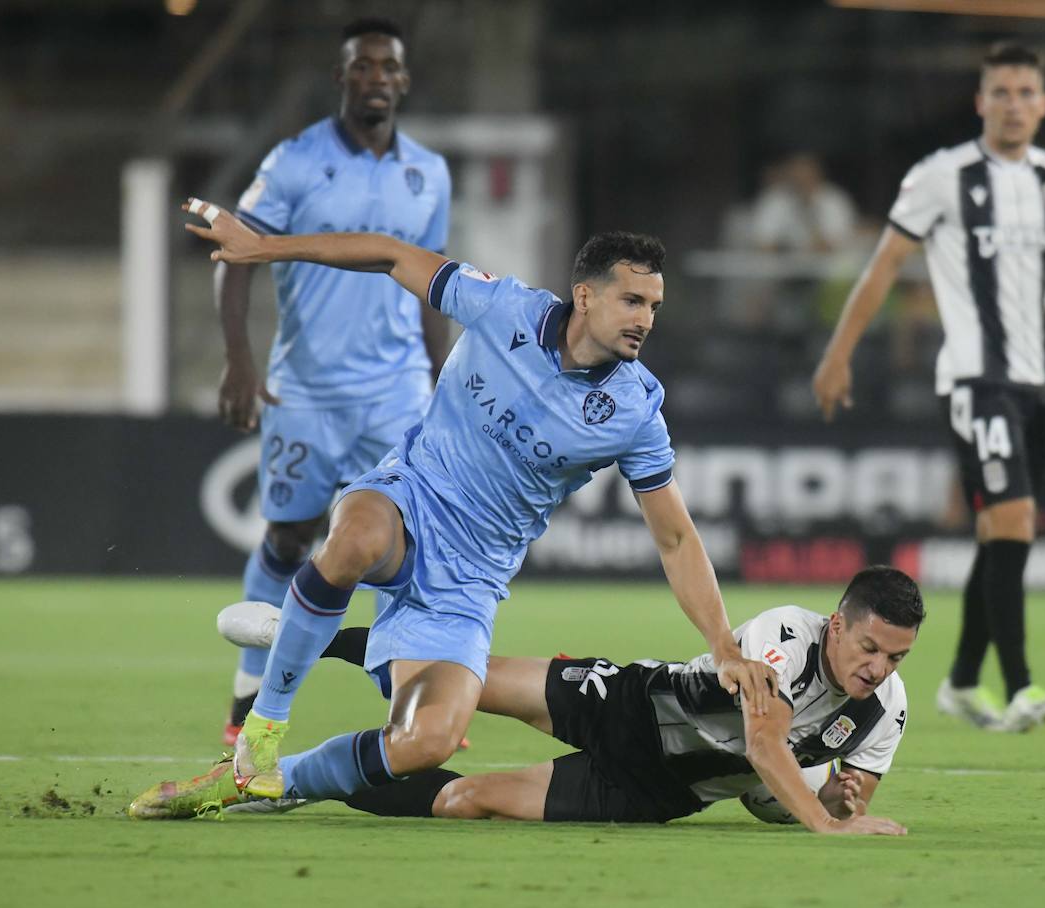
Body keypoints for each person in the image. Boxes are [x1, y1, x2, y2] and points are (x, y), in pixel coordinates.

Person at [180, 197, 780, 804]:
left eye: (653, 306)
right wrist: (264, 248)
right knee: (356, 538)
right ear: (585, 295)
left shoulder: (634, 412)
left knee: (426, 743)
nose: (645, 319)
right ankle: (260, 732)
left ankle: (254, 787)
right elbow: (391, 255)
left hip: (469, 578)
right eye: (632, 300)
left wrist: (723, 647)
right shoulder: (501, 306)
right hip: (411, 497)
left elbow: (675, 539)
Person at [811, 42, 1045, 733]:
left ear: (1043, 104)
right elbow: (883, 266)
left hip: (1032, 384)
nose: (1014, 104)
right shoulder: (941, 176)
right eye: (1002, 92)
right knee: (1015, 522)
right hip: (973, 379)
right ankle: (1018, 684)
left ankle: (961, 680)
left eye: (1026, 92)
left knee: (1001, 534)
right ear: (980, 102)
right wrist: (837, 354)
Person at [130, 566, 919, 836]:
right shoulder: (785, 631)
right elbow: (765, 748)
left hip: (656, 791)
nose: (879, 669)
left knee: (461, 801)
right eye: (870, 648)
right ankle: (302, 636)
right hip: (632, 703)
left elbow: (800, 796)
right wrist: (824, 821)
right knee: (462, 679)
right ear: (838, 624)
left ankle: (285, 784)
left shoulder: (887, 713)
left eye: (895, 658)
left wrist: (840, 804)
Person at [214, 18, 452, 747]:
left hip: (397, 392)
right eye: (362, 66)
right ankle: (249, 692)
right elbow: (235, 255)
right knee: (289, 539)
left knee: (405, 543)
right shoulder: (293, 161)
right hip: (306, 392)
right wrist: (240, 361)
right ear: (342, 79)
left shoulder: (429, 174)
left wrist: (442, 383)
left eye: (388, 67)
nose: (376, 77)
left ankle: (411, 697)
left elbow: (434, 281)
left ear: (404, 82)